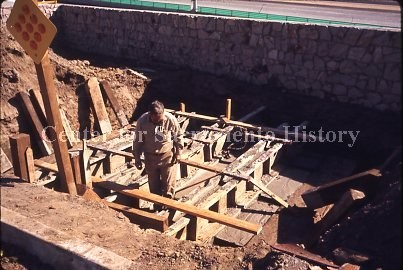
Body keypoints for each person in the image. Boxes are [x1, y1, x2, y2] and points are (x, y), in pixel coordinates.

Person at [133, 100, 183, 200]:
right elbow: (138, 140)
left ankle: (168, 206)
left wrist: (178, 153)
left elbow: (178, 136)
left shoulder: (170, 119)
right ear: (150, 115)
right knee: (154, 187)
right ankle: (157, 206)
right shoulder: (142, 121)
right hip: (150, 158)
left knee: (169, 186)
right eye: (156, 120)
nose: (158, 122)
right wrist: (137, 157)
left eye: (160, 120)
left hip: (167, 157)